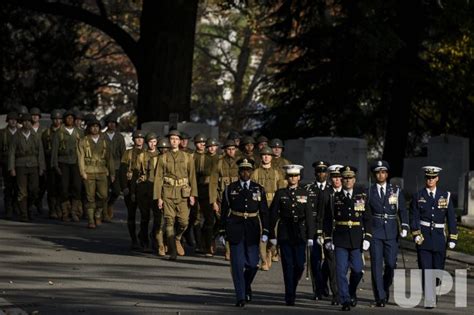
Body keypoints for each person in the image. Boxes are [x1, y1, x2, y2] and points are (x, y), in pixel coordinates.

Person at [218, 158, 269, 307]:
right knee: (238, 264)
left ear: (252, 172)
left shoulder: (258, 189)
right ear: (239, 172)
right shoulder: (230, 189)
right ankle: (240, 296)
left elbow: (264, 212)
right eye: (243, 170)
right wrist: (222, 231)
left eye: (248, 170)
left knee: (253, 264)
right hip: (235, 228)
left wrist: (266, 230)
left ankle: (246, 286)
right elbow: (224, 212)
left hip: (252, 229)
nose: (245, 173)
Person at [324, 166, 372, 311]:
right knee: (340, 271)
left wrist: (367, 237)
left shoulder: (360, 197)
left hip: (356, 238)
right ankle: (345, 299)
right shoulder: (335, 197)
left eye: (350, 178)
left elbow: (367, 218)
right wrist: (327, 238)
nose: (347, 181)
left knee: (357, 270)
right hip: (340, 238)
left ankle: (351, 291)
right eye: (345, 178)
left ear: (354, 180)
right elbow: (328, 219)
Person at [410, 166, 458, 309]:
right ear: (425, 178)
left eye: (433, 177)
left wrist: (453, 238)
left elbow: (451, 219)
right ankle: (430, 299)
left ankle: (434, 289)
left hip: (438, 238)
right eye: (428, 177)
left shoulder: (445, 196)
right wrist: (416, 233)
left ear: (437, 178)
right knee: (426, 269)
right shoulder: (418, 196)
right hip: (423, 238)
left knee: (438, 271)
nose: (430, 180)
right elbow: (414, 217)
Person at [269, 164, 314, 306]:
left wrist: (311, 236)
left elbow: (309, 217)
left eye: (295, 176)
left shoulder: (305, 193)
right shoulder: (280, 193)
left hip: (300, 233)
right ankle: (290, 295)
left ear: (299, 177)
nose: (293, 178)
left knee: (300, 265)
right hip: (285, 232)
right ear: (287, 178)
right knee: (288, 265)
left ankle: (292, 287)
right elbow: (273, 215)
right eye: (290, 176)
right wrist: (271, 234)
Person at [368, 160, 409, 307]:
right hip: (375, 233)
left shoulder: (395, 191)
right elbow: (366, 214)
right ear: (374, 174)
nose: (381, 175)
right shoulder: (369, 191)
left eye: (383, 172)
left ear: (387, 174)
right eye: (378, 172)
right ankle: (379, 296)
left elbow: (403, 210)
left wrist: (405, 226)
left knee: (391, 265)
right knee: (376, 266)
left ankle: (384, 288)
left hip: (391, 232)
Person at [153, 130, 198, 260]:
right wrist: (159, 198)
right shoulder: (163, 157)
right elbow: (158, 178)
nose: (173, 141)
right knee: (169, 222)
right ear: (169, 141)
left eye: (176, 139)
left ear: (179, 141)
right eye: (171, 139)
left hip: (183, 193)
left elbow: (192, 177)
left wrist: (192, 195)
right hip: (167, 192)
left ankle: (177, 238)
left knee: (184, 222)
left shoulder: (187, 157)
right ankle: (172, 251)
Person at [251, 146, 285, 271]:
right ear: (261, 157)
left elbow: (281, 191)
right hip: (260, 206)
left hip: (274, 206)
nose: (266, 157)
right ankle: (264, 259)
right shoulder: (255, 173)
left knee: (274, 233)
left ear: (271, 157)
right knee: (261, 232)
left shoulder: (277, 173)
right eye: (264, 155)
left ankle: (271, 250)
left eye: (268, 155)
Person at [77, 118, 114, 229]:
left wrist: (112, 173)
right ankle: (91, 219)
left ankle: (98, 212)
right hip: (88, 171)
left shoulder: (105, 141)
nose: (95, 128)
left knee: (103, 196)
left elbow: (110, 158)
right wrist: (82, 171)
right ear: (89, 128)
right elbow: (80, 157)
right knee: (90, 197)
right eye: (92, 126)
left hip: (102, 171)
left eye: (97, 126)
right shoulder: (83, 141)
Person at [8, 113, 45, 222]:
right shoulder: (16, 136)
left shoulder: (35, 136)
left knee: (34, 190)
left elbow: (41, 152)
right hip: (20, 165)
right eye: (24, 121)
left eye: (29, 121)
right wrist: (12, 168)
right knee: (22, 191)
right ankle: (24, 214)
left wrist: (42, 167)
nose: (27, 123)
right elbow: (12, 153)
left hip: (34, 164)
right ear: (21, 123)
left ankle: (29, 209)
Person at [305, 160, 332, 301]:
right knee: (315, 259)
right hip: (314, 227)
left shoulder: (331, 189)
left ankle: (323, 282)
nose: (321, 174)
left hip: (327, 228)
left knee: (329, 259)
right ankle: (317, 289)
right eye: (319, 172)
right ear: (315, 174)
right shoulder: (309, 189)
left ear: (327, 174)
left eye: (323, 172)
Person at [51, 110, 84, 222]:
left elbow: (83, 149)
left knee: (77, 187)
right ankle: (65, 211)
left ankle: (74, 211)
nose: (70, 120)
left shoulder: (80, 132)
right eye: (67, 118)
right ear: (64, 119)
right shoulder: (59, 132)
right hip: (63, 161)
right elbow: (54, 150)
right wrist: (55, 165)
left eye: (72, 118)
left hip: (76, 162)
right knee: (64, 188)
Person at [209, 139, 239, 261]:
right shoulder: (219, 163)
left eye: (233, 149)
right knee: (224, 224)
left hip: (237, 200)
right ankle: (226, 249)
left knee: (234, 225)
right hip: (222, 199)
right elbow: (213, 183)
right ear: (225, 150)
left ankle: (231, 249)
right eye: (228, 149)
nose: (231, 151)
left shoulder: (240, 162)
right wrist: (213, 201)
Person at [120, 130, 146, 249]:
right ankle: (133, 239)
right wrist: (124, 187)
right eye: (137, 138)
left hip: (143, 185)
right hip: (130, 184)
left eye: (141, 138)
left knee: (145, 214)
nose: (139, 140)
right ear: (134, 140)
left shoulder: (148, 153)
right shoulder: (128, 153)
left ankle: (143, 236)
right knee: (131, 214)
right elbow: (122, 170)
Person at [135, 132, 159, 252]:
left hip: (156, 189)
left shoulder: (161, 155)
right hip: (144, 189)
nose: (152, 144)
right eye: (150, 142)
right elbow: (136, 173)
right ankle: (144, 240)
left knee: (158, 217)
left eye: (154, 141)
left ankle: (154, 237)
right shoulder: (142, 156)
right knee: (145, 217)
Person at [103, 113, 126, 221]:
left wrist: (124, 167)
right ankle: (104, 211)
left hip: (117, 167)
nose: (112, 125)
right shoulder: (102, 136)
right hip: (104, 167)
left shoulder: (119, 137)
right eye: (110, 123)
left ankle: (110, 204)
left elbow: (123, 153)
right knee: (104, 191)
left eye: (113, 123)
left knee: (116, 190)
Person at [41, 110, 63, 219]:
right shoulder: (46, 133)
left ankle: (59, 208)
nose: (57, 121)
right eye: (55, 119)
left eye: (59, 119)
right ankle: (52, 209)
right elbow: (42, 150)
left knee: (61, 187)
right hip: (50, 162)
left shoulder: (64, 132)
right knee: (51, 187)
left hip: (62, 162)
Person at [0, 111, 19, 219]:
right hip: (6, 162)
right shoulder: (2, 133)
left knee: (18, 186)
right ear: (8, 121)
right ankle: (8, 208)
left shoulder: (20, 132)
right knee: (8, 187)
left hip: (18, 163)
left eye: (15, 120)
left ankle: (15, 206)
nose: (13, 121)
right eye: (11, 119)